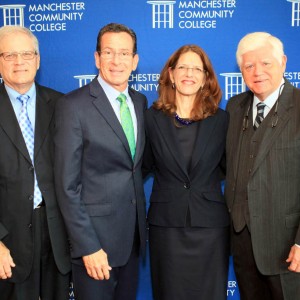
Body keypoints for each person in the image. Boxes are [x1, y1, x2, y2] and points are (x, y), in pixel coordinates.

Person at [54, 23, 147, 300]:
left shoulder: (139, 102)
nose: (116, 61)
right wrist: (88, 247)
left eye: (124, 53)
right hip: (95, 246)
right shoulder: (73, 106)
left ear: (135, 61)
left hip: (131, 240)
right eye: (108, 52)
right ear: (97, 58)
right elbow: (66, 186)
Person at [142, 45, 230, 300]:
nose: (188, 73)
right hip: (166, 226)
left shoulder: (222, 119)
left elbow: (227, 167)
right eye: (182, 67)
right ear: (171, 74)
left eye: (196, 69)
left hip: (210, 227)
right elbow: (142, 165)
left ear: (205, 78)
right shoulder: (151, 118)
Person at [225, 32, 300, 299]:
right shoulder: (234, 107)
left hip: (288, 247)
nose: (257, 72)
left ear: (283, 61)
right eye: (249, 66)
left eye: (266, 63)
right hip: (242, 242)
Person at [0, 26, 71, 299]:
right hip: (9, 238)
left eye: (27, 54)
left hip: (57, 236)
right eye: (9, 55)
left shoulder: (61, 104)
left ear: (38, 60)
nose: (20, 62)